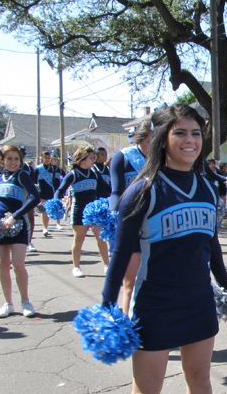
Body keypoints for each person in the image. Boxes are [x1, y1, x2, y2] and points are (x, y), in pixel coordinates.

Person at [104, 104, 227, 394]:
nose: (190, 141)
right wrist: (108, 309)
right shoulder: (141, 190)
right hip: (156, 303)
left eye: (196, 133)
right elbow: (119, 254)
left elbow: (211, 243)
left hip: (198, 301)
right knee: (145, 392)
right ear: (162, 138)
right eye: (180, 133)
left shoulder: (205, 186)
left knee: (200, 378)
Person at [0, 144, 40, 318]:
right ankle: (8, 303)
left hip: (18, 224)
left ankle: (25, 301)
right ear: (2, 159)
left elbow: (34, 197)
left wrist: (14, 216)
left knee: (17, 264)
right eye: (9, 158)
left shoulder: (22, 175)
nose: (13, 162)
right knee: (2, 265)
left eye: (16, 159)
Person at [109, 121, 151, 312]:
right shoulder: (123, 157)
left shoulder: (165, 159)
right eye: (151, 141)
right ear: (139, 138)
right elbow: (116, 191)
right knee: (130, 283)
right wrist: (114, 212)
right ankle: (127, 330)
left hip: (155, 226)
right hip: (132, 225)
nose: (155, 146)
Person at [55, 146, 111, 278]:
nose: (94, 160)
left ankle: (107, 265)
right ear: (82, 159)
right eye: (91, 158)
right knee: (79, 239)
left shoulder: (94, 173)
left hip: (94, 211)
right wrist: (56, 201)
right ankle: (76, 267)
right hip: (79, 210)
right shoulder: (73, 174)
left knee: (101, 238)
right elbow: (60, 190)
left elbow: (108, 188)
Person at [34, 150, 63, 237]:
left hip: (51, 191)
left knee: (48, 210)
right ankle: (44, 228)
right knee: (43, 210)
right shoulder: (38, 169)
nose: (47, 160)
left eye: (48, 158)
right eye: (45, 158)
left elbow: (56, 180)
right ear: (41, 159)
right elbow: (34, 180)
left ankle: (49, 225)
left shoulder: (53, 169)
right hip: (42, 191)